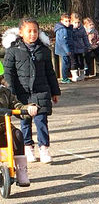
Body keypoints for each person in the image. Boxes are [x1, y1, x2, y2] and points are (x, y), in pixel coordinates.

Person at [2, 18, 60, 164]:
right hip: (23, 92)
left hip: (41, 91)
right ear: (21, 33)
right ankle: (28, 146)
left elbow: (50, 72)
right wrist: (11, 92)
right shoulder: (13, 51)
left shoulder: (44, 51)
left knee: (41, 120)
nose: (32, 34)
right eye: (29, 31)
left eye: (35, 31)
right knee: (25, 121)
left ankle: (44, 147)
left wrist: (54, 91)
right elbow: (9, 73)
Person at [0, 61, 38, 186]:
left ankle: (21, 171)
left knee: (17, 135)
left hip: (4, 127)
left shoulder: (5, 93)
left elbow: (16, 105)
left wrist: (27, 109)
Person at [54, 12, 74, 84]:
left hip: (66, 48)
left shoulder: (68, 28)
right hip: (63, 49)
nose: (68, 23)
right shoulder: (63, 29)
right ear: (61, 21)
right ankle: (64, 78)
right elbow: (63, 41)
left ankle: (66, 77)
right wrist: (67, 50)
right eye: (66, 21)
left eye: (69, 21)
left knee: (67, 63)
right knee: (65, 63)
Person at [71, 13, 91, 81]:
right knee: (74, 62)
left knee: (81, 61)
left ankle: (82, 74)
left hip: (80, 47)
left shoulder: (82, 28)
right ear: (72, 22)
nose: (77, 24)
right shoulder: (70, 29)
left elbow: (85, 37)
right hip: (73, 48)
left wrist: (87, 46)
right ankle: (74, 75)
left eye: (78, 22)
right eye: (75, 22)